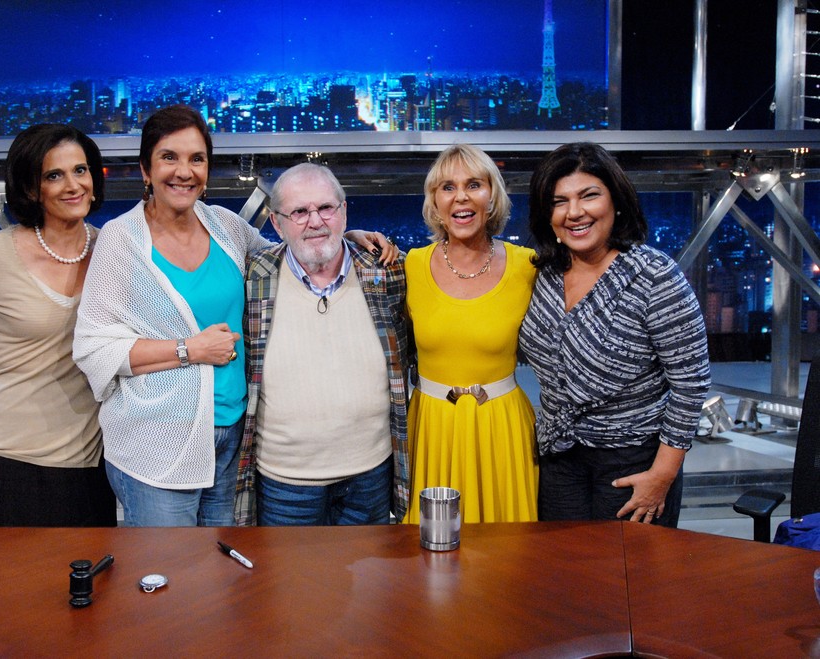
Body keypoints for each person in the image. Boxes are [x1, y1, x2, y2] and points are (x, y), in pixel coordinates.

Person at [73, 105, 395, 527]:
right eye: (169, 157)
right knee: (170, 579)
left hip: (231, 443)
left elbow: (290, 251)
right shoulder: (120, 239)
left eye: (196, 159)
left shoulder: (225, 226)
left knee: (221, 581)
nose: (184, 171)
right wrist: (190, 350)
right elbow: (92, 349)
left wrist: (344, 238)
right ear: (145, 170)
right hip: (157, 442)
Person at [518, 142, 711, 527]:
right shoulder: (543, 273)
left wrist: (663, 476)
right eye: (560, 201)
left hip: (633, 463)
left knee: (628, 583)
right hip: (558, 460)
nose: (575, 212)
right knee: (564, 578)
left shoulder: (653, 275)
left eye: (589, 195)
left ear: (616, 201)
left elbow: (691, 385)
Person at [0, 123, 117, 528]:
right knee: (15, 585)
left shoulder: (113, 249)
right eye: (54, 175)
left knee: (89, 583)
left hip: (91, 453)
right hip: (8, 453)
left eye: (81, 170)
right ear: (32, 188)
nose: (73, 185)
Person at [234, 162, 411, 526]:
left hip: (370, 478)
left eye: (326, 208)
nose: (315, 221)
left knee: (370, 583)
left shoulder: (388, 270)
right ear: (276, 223)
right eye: (299, 211)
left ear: (344, 212)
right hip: (285, 485)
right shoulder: (253, 276)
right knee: (291, 584)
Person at [402, 144, 539, 524]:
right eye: (447, 187)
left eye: (474, 184)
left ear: (491, 196)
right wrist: (355, 233)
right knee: (430, 562)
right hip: (431, 430)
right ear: (434, 202)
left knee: (507, 557)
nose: (461, 196)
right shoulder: (409, 264)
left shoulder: (527, 266)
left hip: (502, 430)